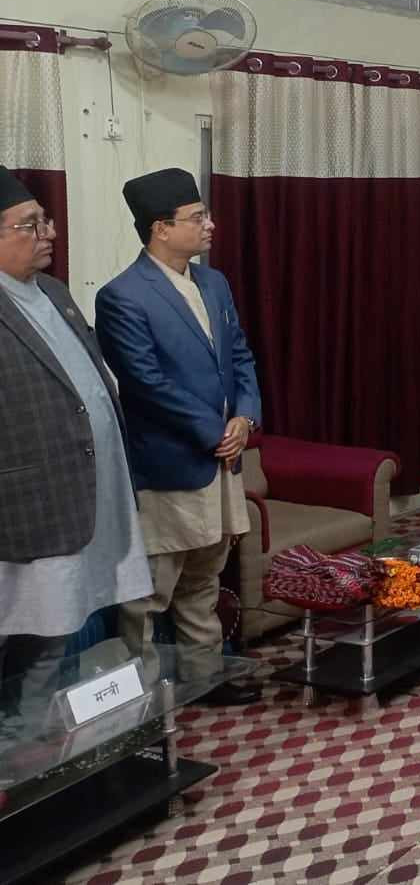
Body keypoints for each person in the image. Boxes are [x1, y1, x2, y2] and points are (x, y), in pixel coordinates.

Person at [97, 168, 262, 704]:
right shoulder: (122, 296)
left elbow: (240, 356)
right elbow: (145, 383)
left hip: (222, 459)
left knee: (204, 581)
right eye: (197, 217)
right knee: (150, 592)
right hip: (170, 465)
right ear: (160, 228)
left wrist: (245, 418)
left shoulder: (214, 283)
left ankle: (204, 678)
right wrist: (216, 432)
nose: (210, 225)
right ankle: (138, 704)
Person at [0, 165, 152, 719]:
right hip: (23, 508)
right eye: (30, 224)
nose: (50, 233)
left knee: (56, 629)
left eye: (46, 220)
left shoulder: (53, 291)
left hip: (80, 494)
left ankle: (35, 737)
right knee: (27, 630)